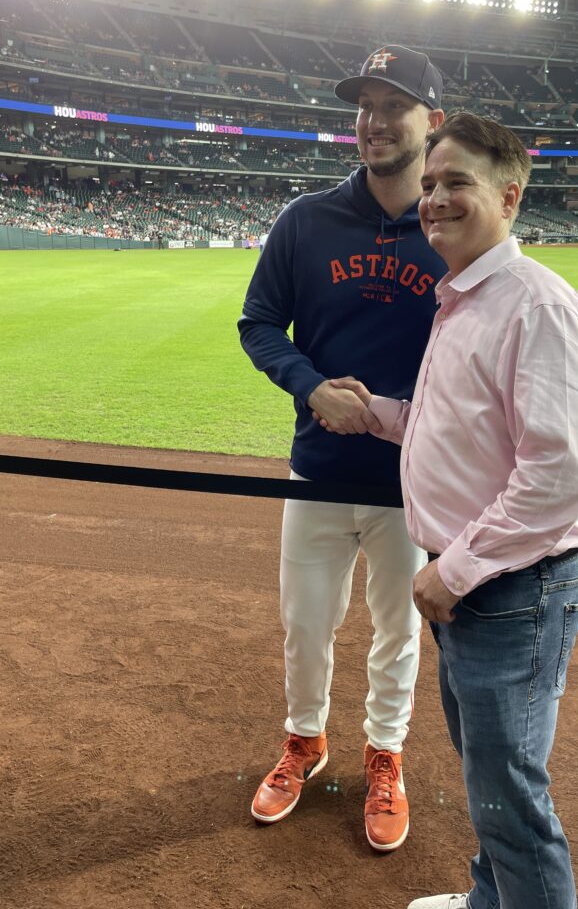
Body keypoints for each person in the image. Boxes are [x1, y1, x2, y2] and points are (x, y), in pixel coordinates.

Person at [315, 111, 578, 907]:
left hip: (510, 587)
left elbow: (564, 471)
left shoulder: (533, 305)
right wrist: (374, 409)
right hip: (484, 584)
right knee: (490, 780)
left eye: (458, 185)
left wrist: (461, 570)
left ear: (509, 197)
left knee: (510, 795)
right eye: (431, 184)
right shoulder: (466, 298)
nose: (435, 199)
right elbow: (452, 429)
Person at [237, 45, 446, 851]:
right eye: (364, 105)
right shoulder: (305, 220)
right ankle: (305, 741)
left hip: (411, 481)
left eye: (393, 106)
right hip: (317, 471)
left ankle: (385, 755)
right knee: (306, 621)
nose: (374, 121)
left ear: (431, 121)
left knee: (400, 629)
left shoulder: (449, 225)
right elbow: (258, 322)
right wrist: (309, 384)